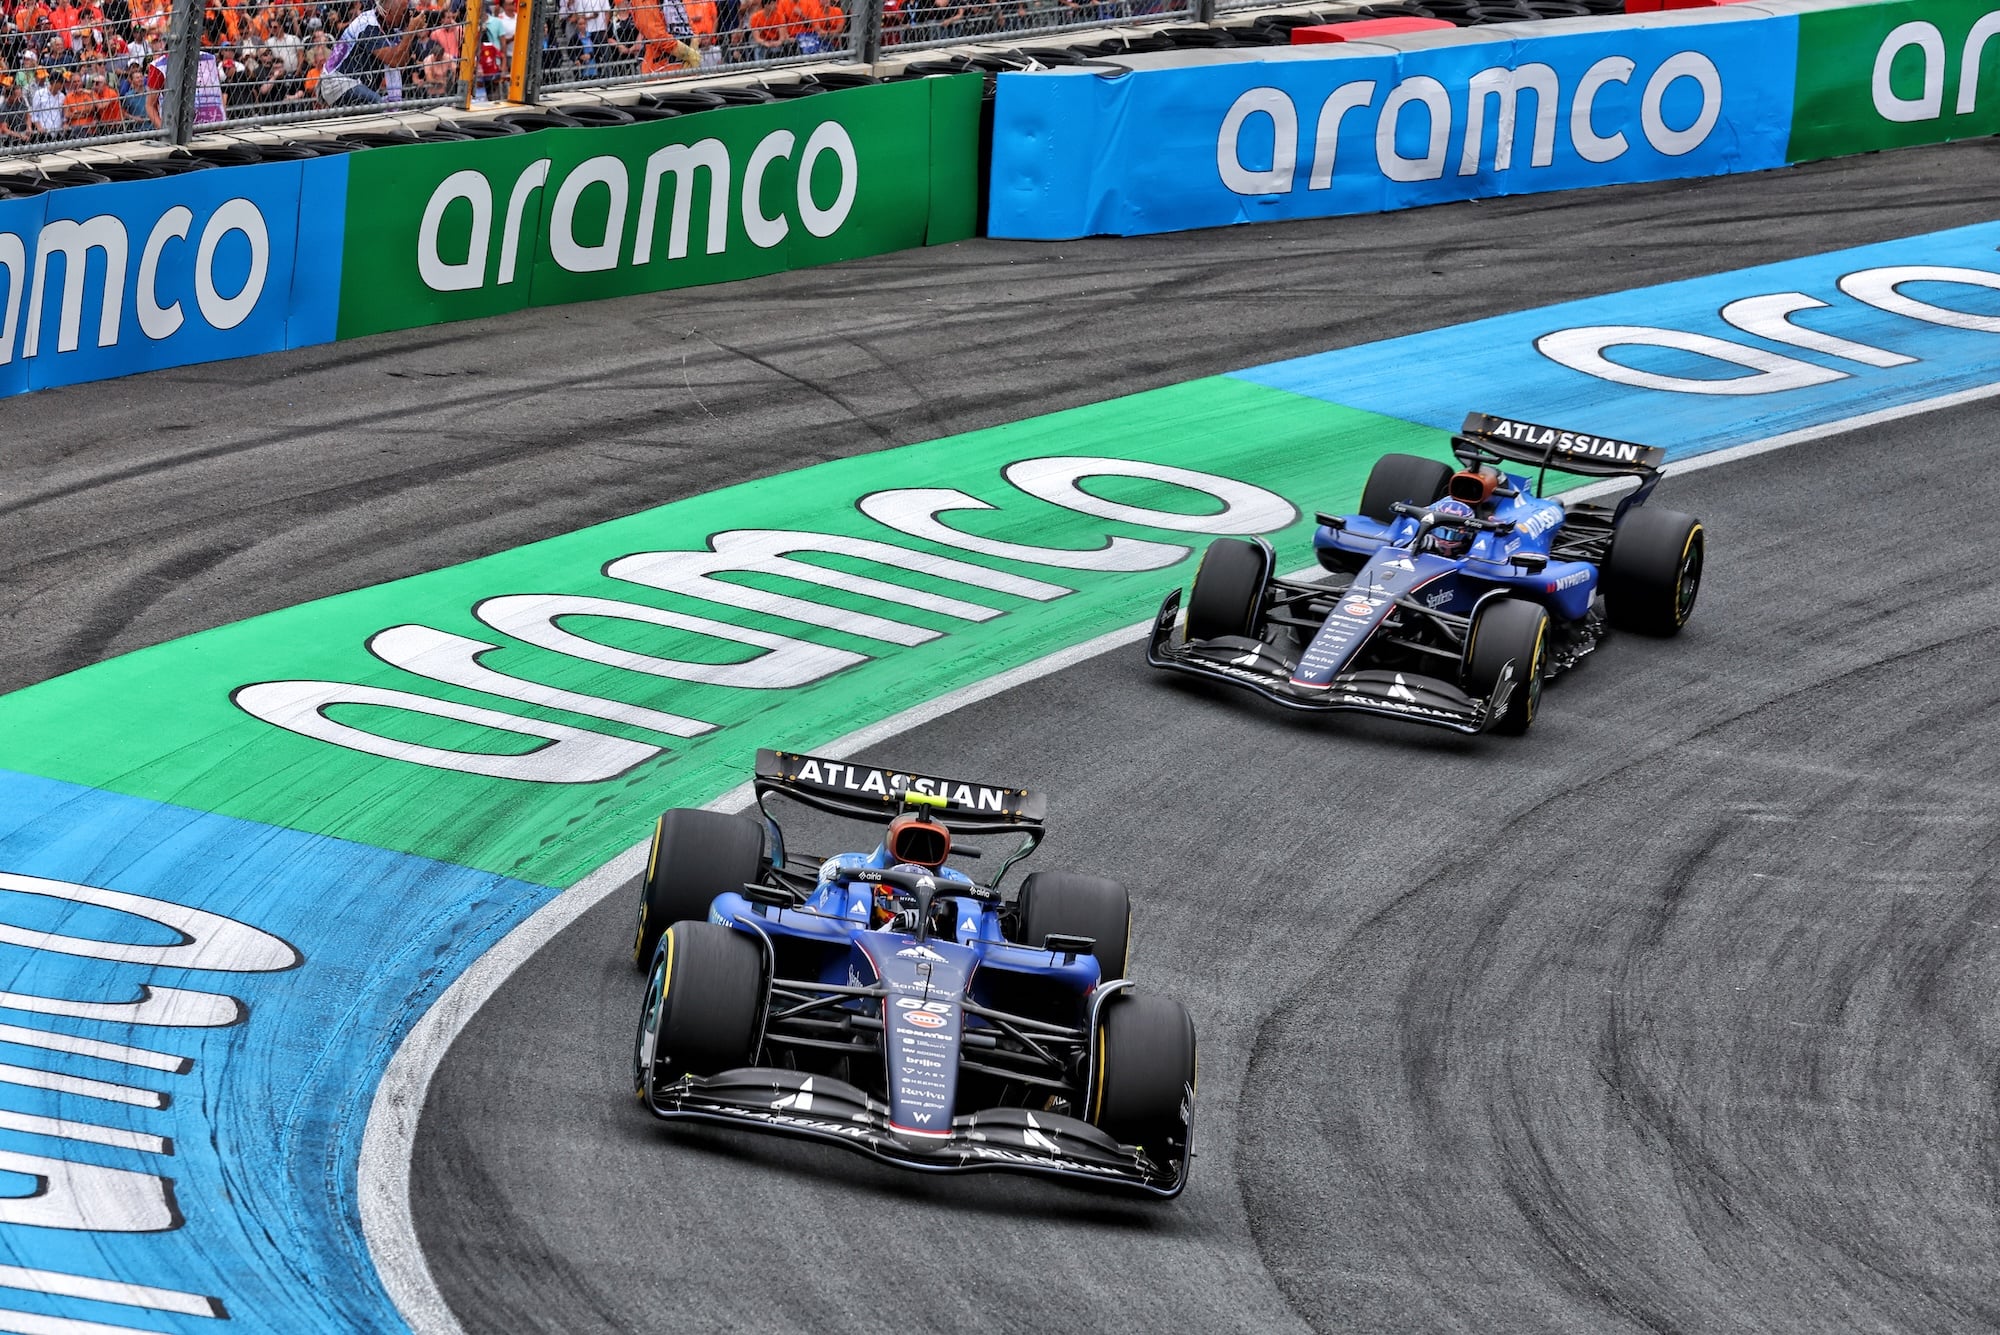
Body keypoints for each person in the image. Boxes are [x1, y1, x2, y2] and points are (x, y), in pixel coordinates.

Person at [316, 0, 418, 106]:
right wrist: (411, 31)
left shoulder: (390, 26)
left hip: (355, 81)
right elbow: (395, 61)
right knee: (379, 106)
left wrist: (408, 31)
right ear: (388, 13)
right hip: (338, 82)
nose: (408, 15)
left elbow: (402, 61)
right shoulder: (368, 25)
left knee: (380, 107)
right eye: (404, 12)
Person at [145, 42, 223, 126]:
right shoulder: (159, 66)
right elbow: (150, 105)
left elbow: (218, 93)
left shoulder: (210, 59)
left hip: (214, 123)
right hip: (177, 127)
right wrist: (165, 132)